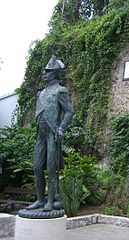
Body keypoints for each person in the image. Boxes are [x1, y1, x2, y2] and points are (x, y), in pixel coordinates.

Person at [26, 55, 73, 212]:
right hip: (40, 133)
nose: (44, 74)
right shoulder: (41, 93)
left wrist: (61, 128)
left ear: (53, 74)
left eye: (47, 72)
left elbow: (69, 112)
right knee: (37, 167)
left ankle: (50, 201)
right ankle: (40, 200)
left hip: (53, 133)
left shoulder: (61, 90)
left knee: (51, 168)